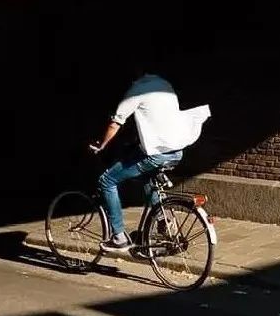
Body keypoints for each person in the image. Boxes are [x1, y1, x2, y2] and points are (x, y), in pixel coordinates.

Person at [89, 71, 211, 253]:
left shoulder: (136, 91)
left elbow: (116, 123)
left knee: (107, 181)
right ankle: (163, 221)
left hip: (157, 153)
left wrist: (101, 145)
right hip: (176, 151)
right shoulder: (164, 85)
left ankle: (119, 238)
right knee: (148, 177)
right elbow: (159, 120)